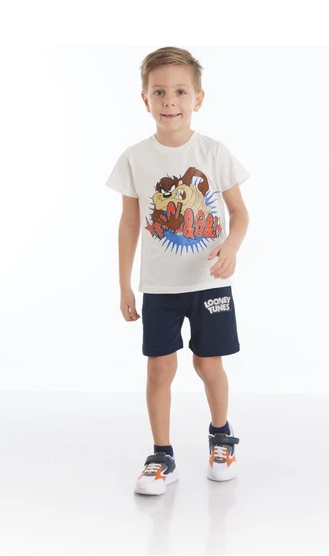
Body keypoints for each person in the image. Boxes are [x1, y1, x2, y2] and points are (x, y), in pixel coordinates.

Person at [105, 46, 250, 495]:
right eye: (160, 92)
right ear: (145, 99)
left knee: (208, 364)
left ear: (198, 98)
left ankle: (221, 437)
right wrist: (124, 285)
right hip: (160, 288)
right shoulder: (135, 158)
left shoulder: (213, 152)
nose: (170, 101)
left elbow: (239, 213)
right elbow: (129, 223)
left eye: (181, 92)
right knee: (159, 370)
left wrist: (231, 245)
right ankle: (162, 456)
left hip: (209, 283)